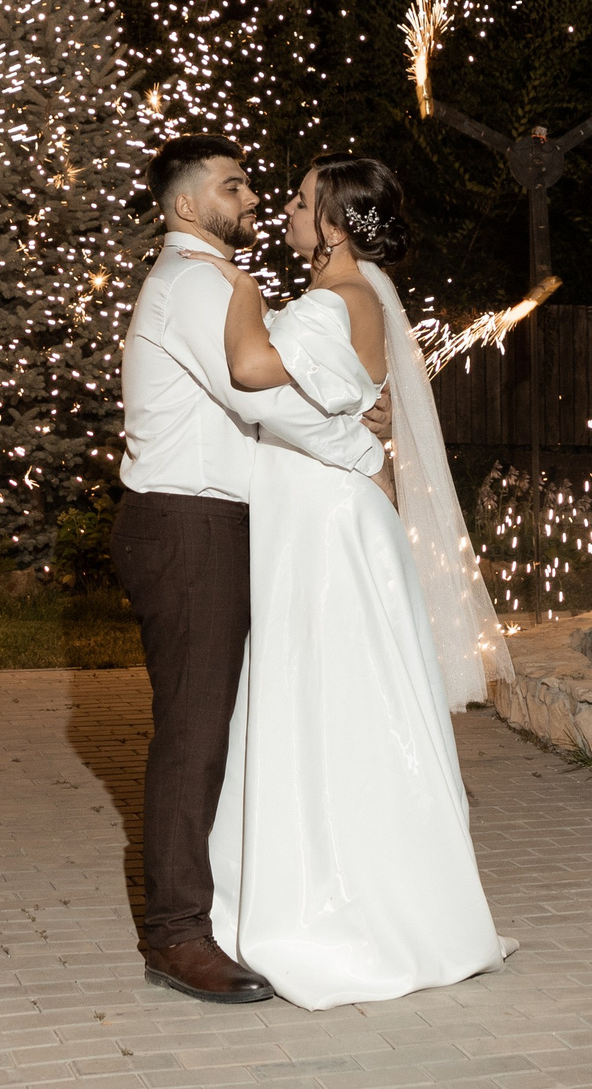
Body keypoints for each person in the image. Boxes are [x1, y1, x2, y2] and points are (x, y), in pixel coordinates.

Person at [180, 153, 514, 1010]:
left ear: (333, 223)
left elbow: (254, 381)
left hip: (325, 526)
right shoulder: (353, 298)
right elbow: (328, 407)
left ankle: (337, 905)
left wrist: (238, 291)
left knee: (326, 701)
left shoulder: (333, 303)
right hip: (324, 515)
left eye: (300, 202)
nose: (286, 211)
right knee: (335, 698)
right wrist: (364, 438)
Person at [116, 135, 394, 1003]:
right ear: (185, 205)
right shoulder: (197, 282)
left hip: (211, 522)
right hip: (188, 523)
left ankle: (217, 909)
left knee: (216, 730)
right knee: (194, 734)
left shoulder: (214, 279)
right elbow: (258, 393)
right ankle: (176, 935)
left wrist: (355, 413)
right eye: (231, 186)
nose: (251, 197)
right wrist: (361, 444)